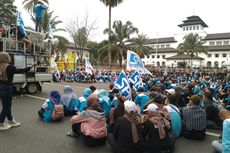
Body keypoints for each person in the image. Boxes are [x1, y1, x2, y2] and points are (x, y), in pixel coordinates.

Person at [0, 52, 36, 130]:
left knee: (6, 105)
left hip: (1, 87)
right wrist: (32, 65)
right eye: (8, 56)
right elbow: (22, 70)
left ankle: (10, 120)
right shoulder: (9, 67)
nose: (9, 57)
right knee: (7, 107)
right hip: (7, 88)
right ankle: (0, 123)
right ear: (4, 58)